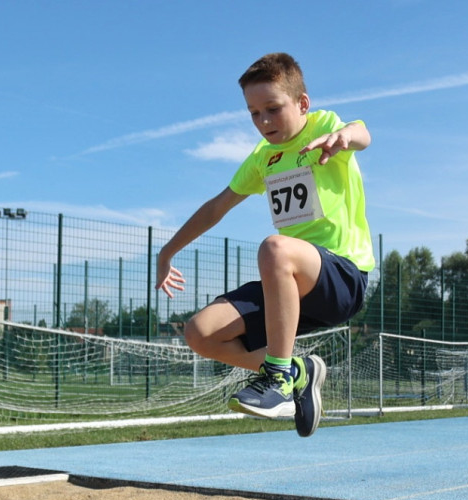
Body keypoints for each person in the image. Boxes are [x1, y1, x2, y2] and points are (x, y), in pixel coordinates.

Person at [156, 52, 375, 437]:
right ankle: (296, 371)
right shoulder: (262, 158)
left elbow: (362, 133)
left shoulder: (323, 125)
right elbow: (216, 207)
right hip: (289, 284)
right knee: (200, 333)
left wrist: (344, 137)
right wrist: (166, 251)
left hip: (341, 277)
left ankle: (276, 380)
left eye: (272, 109)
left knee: (275, 248)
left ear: (302, 103)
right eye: (254, 113)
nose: (263, 121)